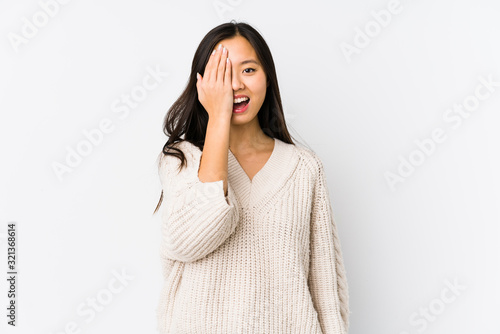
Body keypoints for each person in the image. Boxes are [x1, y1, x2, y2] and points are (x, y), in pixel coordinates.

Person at [153, 20, 350, 334]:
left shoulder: (304, 168)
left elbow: (325, 289)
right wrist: (218, 117)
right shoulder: (182, 159)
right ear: (203, 85)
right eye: (223, 73)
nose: (235, 85)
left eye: (248, 70)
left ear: (268, 78)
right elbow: (188, 240)